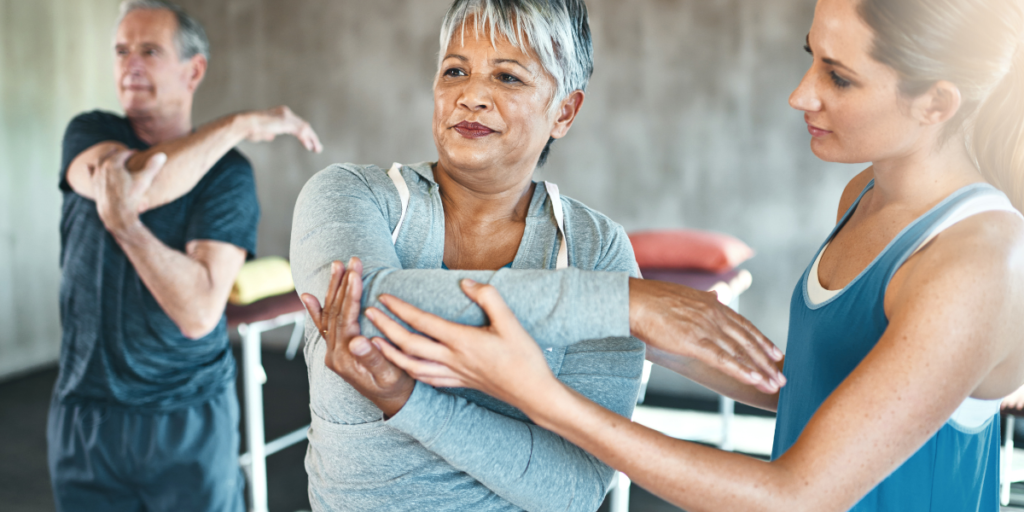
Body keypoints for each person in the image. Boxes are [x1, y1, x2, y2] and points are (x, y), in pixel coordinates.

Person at [353, 0, 1024, 510]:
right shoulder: (863, 192)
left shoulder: (977, 262)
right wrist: (644, 326)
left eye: (839, 77)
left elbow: (797, 497)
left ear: (936, 103)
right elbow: (834, 391)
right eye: (811, 55)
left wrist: (539, 395)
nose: (802, 93)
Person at [291, 0, 784, 510]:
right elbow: (366, 306)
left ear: (564, 112)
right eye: (455, 71)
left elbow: (575, 490)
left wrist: (408, 400)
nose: (471, 96)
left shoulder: (595, 249)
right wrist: (622, 305)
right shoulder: (349, 194)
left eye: (508, 78)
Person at [48, 1, 322, 511]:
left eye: (149, 50)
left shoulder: (227, 175)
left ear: (193, 70)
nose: (130, 63)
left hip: (185, 418)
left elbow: (198, 314)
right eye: (121, 50)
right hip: (86, 415)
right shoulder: (89, 133)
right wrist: (241, 122)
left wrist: (126, 228)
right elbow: (134, 184)